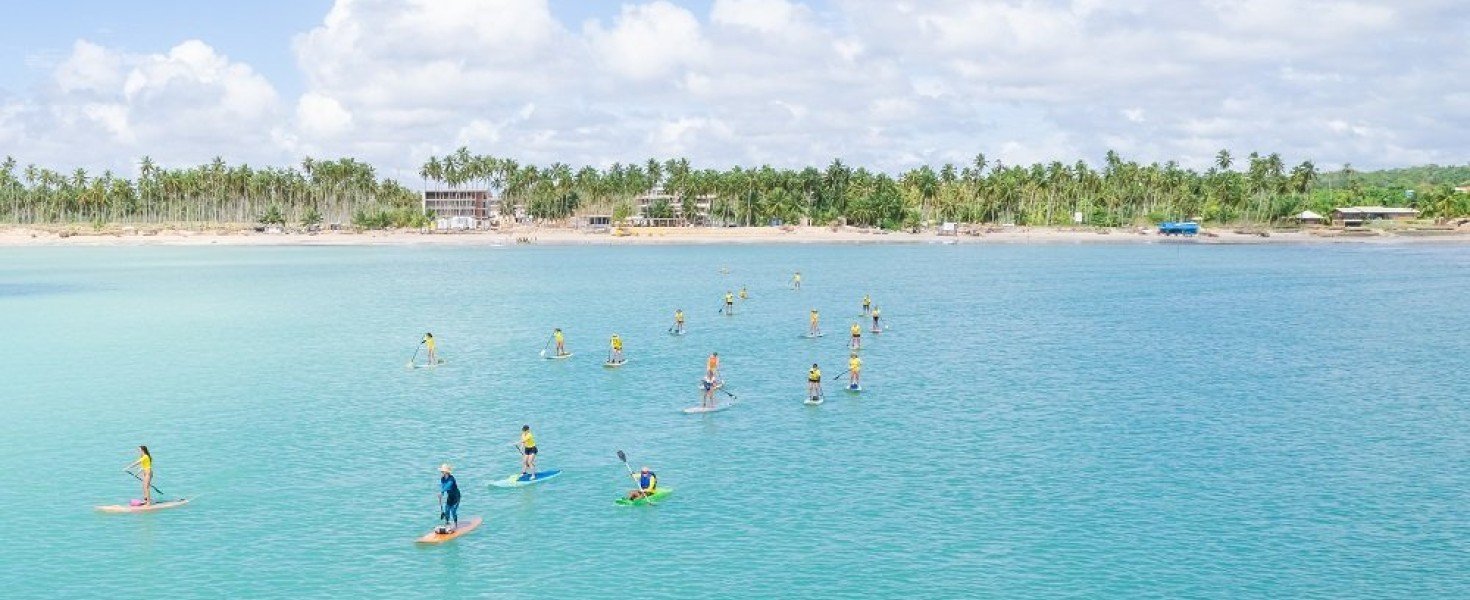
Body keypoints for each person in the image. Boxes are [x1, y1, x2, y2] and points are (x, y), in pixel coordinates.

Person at [437, 464, 461, 533]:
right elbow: (443, 486)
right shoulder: (442, 479)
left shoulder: (452, 479)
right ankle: (447, 523)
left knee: (453, 511)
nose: (442, 472)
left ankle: (456, 525)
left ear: (447, 472)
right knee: (447, 510)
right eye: (441, 471)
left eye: (443, 471)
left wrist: (441, 491)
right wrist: (441, 494)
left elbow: (448, 486)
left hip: (456, 497)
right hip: (450, 497)